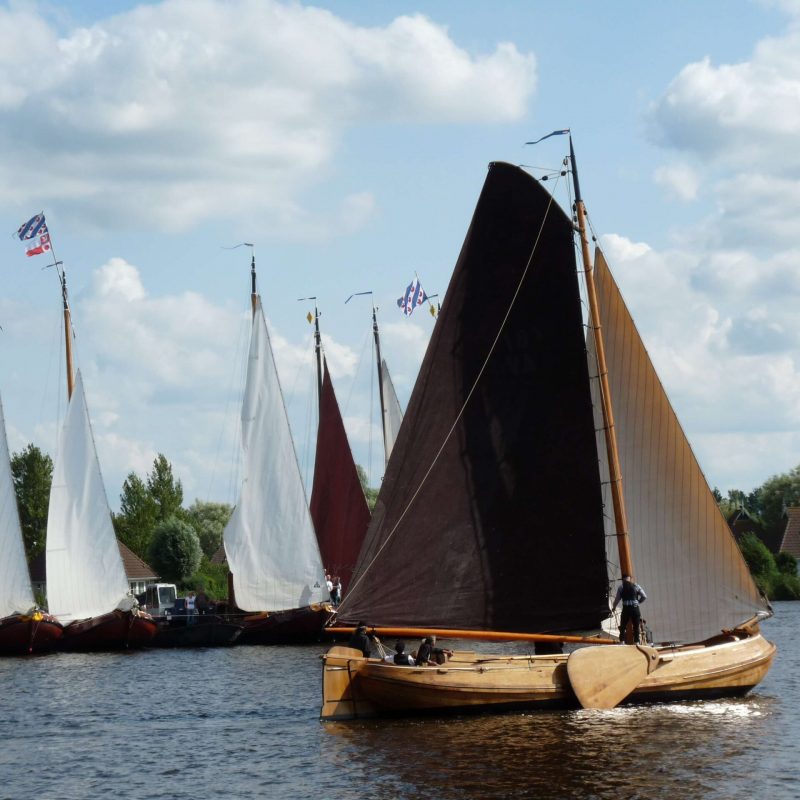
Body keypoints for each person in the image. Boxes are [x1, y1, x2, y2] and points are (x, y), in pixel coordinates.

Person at [612, 574, 647, 644]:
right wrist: (638, 602)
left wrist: (614, 607)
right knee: (636, 626)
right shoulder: (636, 586)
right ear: (630, 579)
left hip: (626, 609)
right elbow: (644, 596)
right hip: (635, 608)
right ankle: (636, 642)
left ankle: (622, 641)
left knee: (623, 626)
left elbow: (617, 600)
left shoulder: (621, 587)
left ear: (623, 580)